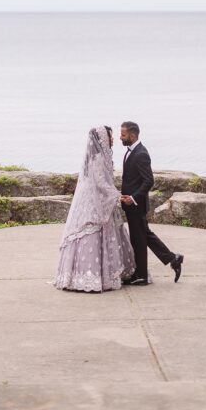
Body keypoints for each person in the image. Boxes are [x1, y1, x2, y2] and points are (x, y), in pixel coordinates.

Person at [54, 125, 135, 292]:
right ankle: (92, 275)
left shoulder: (101, 156)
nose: (112, 139)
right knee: (93, 232)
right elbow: (100, 183)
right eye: (110, 137)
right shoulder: (98, 158)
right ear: (102, 139)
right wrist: (116, 195)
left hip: (98, 199)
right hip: (94, 202)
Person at [120, 121, 183, 286]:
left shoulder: (141, 153)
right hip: (131, 205)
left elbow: (148, 181)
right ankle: (172, 259)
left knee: (139, 240)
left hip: (136, 205)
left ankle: (141, 276)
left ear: (133, 135)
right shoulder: (131, 152)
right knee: (144, 236)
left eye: (123, 135)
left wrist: (133, 198)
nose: (121, 137)